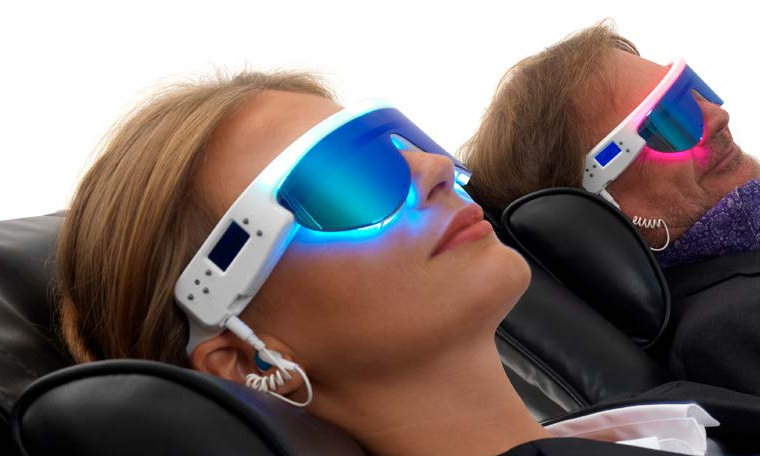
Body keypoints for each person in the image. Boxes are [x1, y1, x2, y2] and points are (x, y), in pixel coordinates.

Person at [55, 70, 759, 456]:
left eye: (403, 140)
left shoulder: (665, 416)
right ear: (251, 357)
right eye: (349, 180)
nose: (434, 167)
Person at [461, 23, 760, 397]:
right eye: (670, 120)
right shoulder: (730, 329)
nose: (717, 116)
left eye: (693, 89)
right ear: (600, 210)